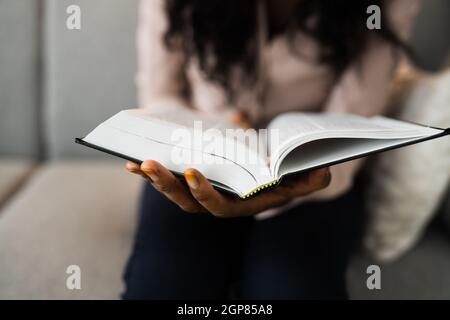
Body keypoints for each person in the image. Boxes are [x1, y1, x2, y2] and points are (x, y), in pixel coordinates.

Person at [123, 0, 421, 299]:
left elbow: (354, 118)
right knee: (163, 286)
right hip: (198, 165)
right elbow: (162, 94)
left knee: (291, 289)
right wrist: (216, 138)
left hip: (313, 180)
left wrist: (302, 177)